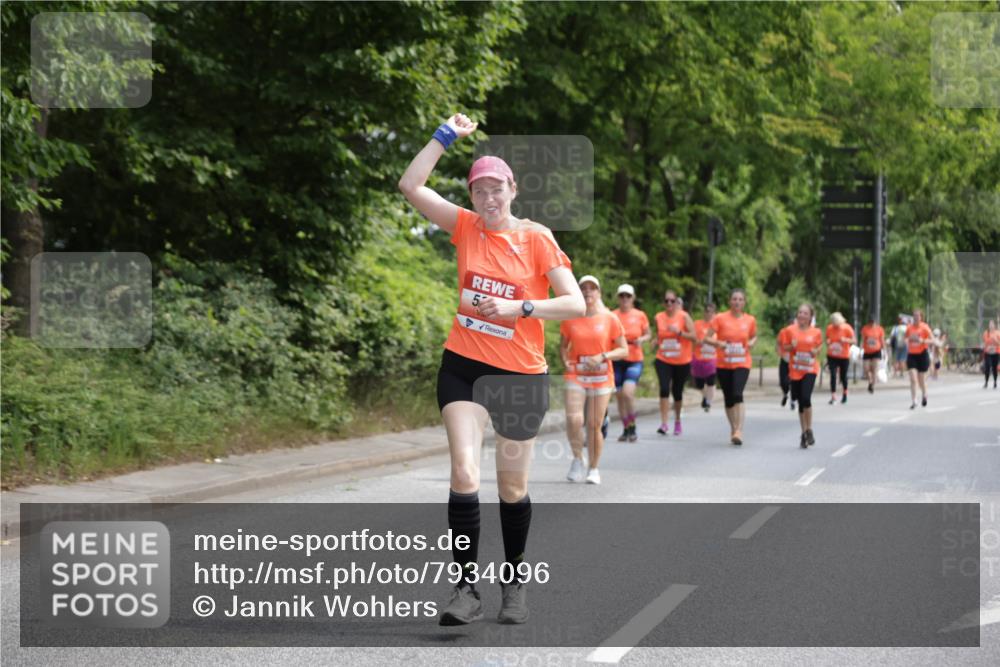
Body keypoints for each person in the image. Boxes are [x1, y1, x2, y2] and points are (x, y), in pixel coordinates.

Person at [398, 113, 585, 626]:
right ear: (472, 195)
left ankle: (514, 579)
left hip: (520, 377)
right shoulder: (464, 226)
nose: (488, 198)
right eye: (479, 190)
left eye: (496, 189)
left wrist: (521, 310)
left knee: (511, 489)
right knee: (463, 471)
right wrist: (443, 135)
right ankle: (465, 588)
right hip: (463, 366)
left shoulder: (537, 238)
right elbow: (410, 185)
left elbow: (574, 305)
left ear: (513, 189)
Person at [562, 276, 628, 484]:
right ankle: (577, 459)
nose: (588, 292)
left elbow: (623, 349)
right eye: (584, 288)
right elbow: (564, 346)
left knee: (593, 424)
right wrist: (566, 361)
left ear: (599, 293)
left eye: (592, 288)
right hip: (577, 375)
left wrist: (603, 356)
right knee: (574, 420)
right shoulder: (571, 317)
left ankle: (594, 468)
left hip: (601, 377)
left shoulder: (609, 318)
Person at [705, 288, 758, 445]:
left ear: (744, 302)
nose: (737, 302)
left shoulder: (750, 320)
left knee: (737, 393)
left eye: (740, 299)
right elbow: (707, 338)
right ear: (729, 301)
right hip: (724, 363)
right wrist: (719, 343)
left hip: (742, 362)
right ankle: (733, 428)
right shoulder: (720, 318)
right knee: (728, 399)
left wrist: (751, 343)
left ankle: (739, 430)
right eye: (734, 299)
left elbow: (754, 336)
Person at [653, 290, 696, 436]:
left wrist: (680, 333)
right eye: (666, 301)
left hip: (682, 360)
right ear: (663, 303)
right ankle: (664, 423)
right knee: (664, 388)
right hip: (663, 358)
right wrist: (655, 342)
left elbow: (694, 337)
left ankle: (677, 420)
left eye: (672, 301)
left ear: (676, 301)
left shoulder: (684, 316)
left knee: (677, 392)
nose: (669, 304)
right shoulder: (658, 317)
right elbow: (658, 335)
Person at [612, 283, 650, 442]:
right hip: (617, 360)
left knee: (628, 393)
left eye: (628, 296)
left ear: (633, 298)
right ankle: (626, 428)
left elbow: (648, 334)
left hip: (634, 359)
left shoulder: (640, 315)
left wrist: (642, 339)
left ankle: (633, 426)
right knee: (620, 396)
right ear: (618, 298)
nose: (625, 299)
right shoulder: (612, 315)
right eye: (622, 296)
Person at [784, 303, 823, 448]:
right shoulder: (790, 330)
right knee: (800, 401)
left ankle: (809, 429)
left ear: (810, 317)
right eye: (800, 312)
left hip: (810, 369)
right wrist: (791, 346)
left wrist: (815, 351)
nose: (801, 315)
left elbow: (819, 347)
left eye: (805, 313)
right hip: (795, 370)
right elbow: (784, 347)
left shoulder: (816, 332)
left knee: (806, 398)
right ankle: (803, 432)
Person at [692, 302, 718, 412]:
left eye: (711, 312)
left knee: (711, 381)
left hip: (712, 358)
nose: (709, 314)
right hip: (698, 357)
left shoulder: (718, 326)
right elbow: (692, 339)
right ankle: (705, 396)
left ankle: (708, 403)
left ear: (715, 313)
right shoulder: (697, 324)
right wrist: (698, 342)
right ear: (704, 313)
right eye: (707, 311)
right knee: (699, 383)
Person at [905, 309, 934, 409]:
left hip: (922, 354)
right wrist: (906, 341)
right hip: (912, 355)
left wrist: (923, 340)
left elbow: (932, 340)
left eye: (918, 316)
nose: (916, 318)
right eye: (914, 316)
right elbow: (906, 338)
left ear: (921, 317)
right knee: (913, 379)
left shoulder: (925, 327)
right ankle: (914, 401)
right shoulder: (909, 328)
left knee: (921, 379)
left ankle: (924, 395)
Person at [825, 312, 855, 405]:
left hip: (843, 356)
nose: (835, 325)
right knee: (833, 375)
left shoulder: (847, 328)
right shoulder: (829, 328)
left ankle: (845, 393)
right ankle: (833, 396)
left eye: (836, 323)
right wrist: (828, 341)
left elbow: (854, 340)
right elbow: (827, 339)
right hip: (832, 355)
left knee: (843, 376)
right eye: (833, 323)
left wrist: (845, 340)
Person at [860, 314, 885, 393]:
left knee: (875, 369)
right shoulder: (865, 329)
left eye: (873, 322)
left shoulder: (879, 329)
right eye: (870, 322)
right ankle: (870, 380)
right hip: (867, 351)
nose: (872, 323)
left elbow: (882, 340)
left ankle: (872, 385)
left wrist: (884, 351)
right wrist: (860, 350)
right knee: (866, 368)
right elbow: (863, 340)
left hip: (876, 351)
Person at [776, 316, 796, 410]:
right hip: (784, 359)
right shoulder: (783, 332)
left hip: (795, 360)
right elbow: (779, 343)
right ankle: (785, 394)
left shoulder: (799, 332)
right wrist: (779, 352)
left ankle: (792, 400)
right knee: (782, 381)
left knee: (792, 381)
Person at [983, 320, 999, 389]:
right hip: (988, 352)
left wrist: (995, 340)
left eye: (992, 324)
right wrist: (988, 345)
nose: (991, 325)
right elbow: (985, 342)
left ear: (994, 325)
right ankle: (986, 382)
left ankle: (995, 382)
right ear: (988, 325)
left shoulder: (998, 333)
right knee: (987, 367)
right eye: (990, 324)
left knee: (994, 368)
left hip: (996, 353)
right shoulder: (986, 333)